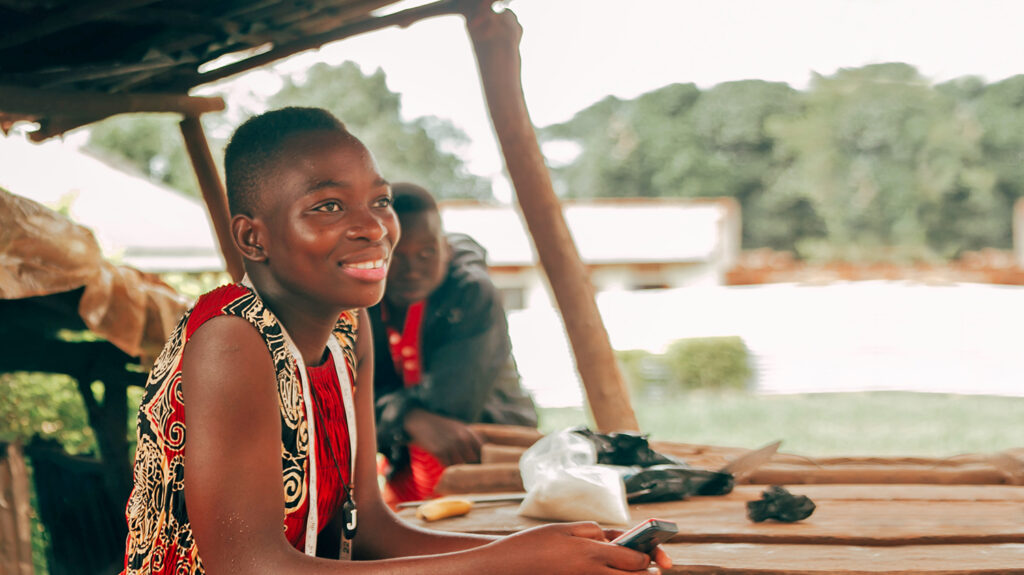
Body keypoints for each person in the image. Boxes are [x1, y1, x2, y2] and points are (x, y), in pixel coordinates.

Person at [120, 106, 670, 575]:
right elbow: (249, 566)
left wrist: (546, 555)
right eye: (328, 206)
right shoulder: (232, 341)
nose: (374, 227)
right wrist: (506, 561)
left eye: (379, 201)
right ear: (252, 237)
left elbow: (373, 532)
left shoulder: (345, 330)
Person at [369, 182, 537, 504]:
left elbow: (449, 405)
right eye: (396, 254)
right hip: (405, 454)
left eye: (427, 252)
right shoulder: (368, 298)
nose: (412, 269)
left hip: (491, 449)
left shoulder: (472, 292)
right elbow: (349, 398)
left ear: (445, 248)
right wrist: (408, 418)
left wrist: (398, 415)